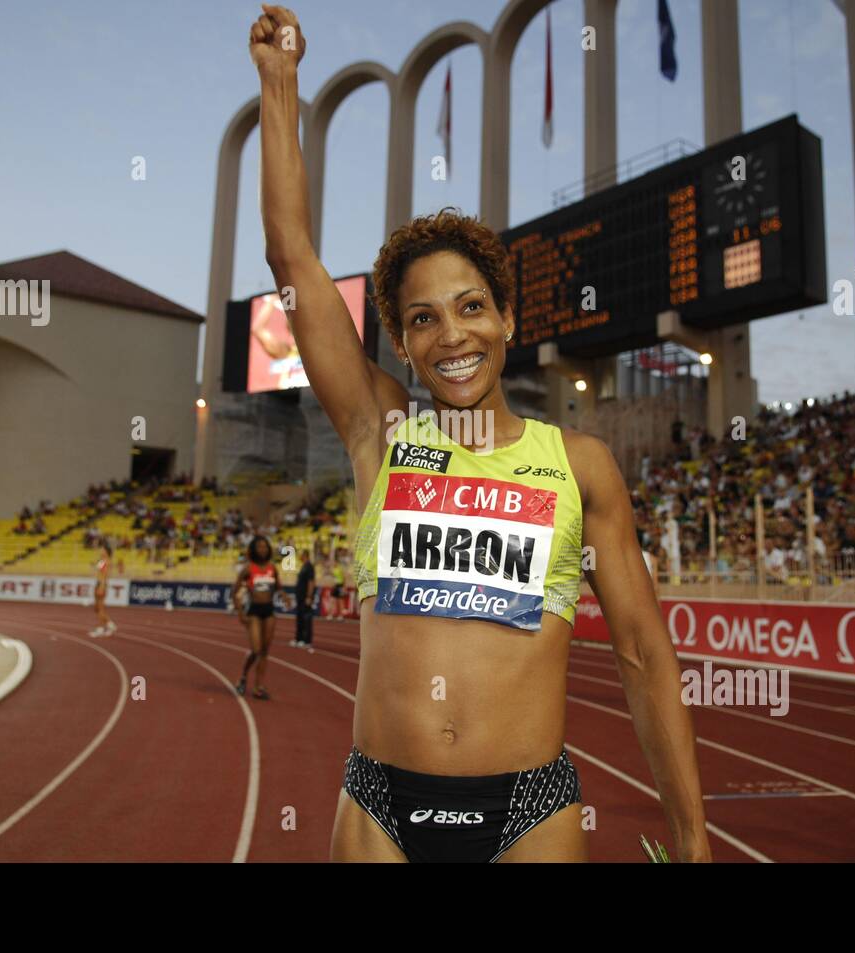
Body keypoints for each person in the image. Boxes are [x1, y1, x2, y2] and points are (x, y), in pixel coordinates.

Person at [249, 3, 708, 863]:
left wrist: (691, 840)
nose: (450, 335)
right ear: (402, 343)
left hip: (529, 810)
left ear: (505, 318)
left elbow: (645, 655)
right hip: (381, 803)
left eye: (469, 308)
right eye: (423, 319)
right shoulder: (380, 432)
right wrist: (280, 85)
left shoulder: (581, 466)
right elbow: (292, 259)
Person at [235, 536, 279, 699]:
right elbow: (235, 592)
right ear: (253, 549)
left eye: (265, 547)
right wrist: (240, 612)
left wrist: (284, 596)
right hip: (253, 611)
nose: (262, 549)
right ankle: (243, 677)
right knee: (256, 650)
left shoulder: (273, 568)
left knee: (265, 652)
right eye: (259, 547)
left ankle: (258, 686)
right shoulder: (247, 569)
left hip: (269, 612)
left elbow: (278, 587)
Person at [89, 542, 116, 637]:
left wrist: (101, 586)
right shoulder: (102, 561)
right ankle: (110, 624)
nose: (101, 551)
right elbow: (98, 571)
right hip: (98, 583)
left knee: (100, 608)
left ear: (106, 551)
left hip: (101, 584)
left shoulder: (106, 561)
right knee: (97, 608)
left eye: (102, 549)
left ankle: (100, 629)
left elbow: (104, 575)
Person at [293, 549, 315, 650]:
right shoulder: (304, 566)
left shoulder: (309, 567)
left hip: (305, 597)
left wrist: (309, 596)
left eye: (301, 554)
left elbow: (311, 582)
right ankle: (299, 639)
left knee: (306, 619)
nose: (299, 556)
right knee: (300, 618)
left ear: (305, 555)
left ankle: (307, 641)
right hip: (300, 597)